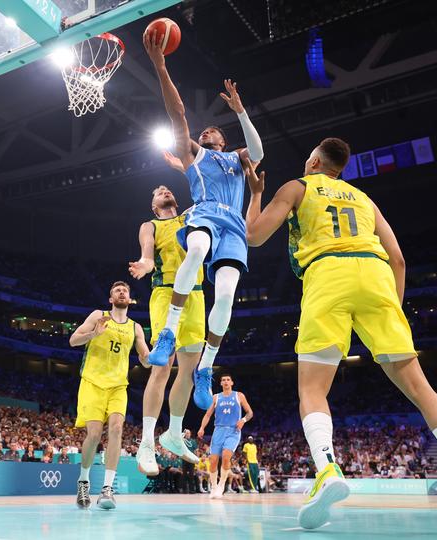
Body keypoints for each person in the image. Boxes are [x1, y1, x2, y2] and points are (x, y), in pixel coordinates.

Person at [243, 137, 437, 532]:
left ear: (314, 160)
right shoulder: (365, 200)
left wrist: (257, 194)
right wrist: (391, 311)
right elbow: (399, 258)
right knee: (422, 390)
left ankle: (327, 469)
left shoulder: (298, 186)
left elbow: (254, 235)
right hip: (378, 277)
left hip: (328, 274)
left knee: (313, 390)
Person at [143, 30, 264, 411]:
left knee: (226, 295)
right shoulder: (195, 156)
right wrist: (161, 67)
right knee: (195, 247)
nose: (205, 130)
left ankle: (206, 368)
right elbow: (176, 112)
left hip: (235, 228)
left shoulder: (238, 159)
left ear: (223, 141)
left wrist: (241, 111)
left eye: (213, 130)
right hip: (206, 213)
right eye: (203, 130)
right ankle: (168, 332)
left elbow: (259, 149)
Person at [129, 185, 204, 474]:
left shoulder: (191, 217)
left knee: (189, 372)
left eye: (167, 188)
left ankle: (174, 433)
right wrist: (145, 266)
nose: (163, 190)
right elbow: (147, 254)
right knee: (162, 368)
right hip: (165, 293)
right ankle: (146, 443)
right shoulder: (150, 225)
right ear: (153, 205)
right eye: (157, 191)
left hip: (196, 294)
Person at [68, 281, 150, 510]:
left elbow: (145, 359)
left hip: (117, 387)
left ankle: (107, 489)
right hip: (92, 383)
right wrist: (94, 333)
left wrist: (151, 356)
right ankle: (83, 481)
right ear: (111, 299)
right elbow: (73, 340)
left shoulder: (135, 328)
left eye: (125, 290)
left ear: (130, 298)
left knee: (116, 429)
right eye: (117, 290)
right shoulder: (98, 315)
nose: (122, 292)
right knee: (94, 435)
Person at [197, 374, 253, 499]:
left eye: (228, 380)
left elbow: (250, 412)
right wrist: (202, 427)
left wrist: (243, 420)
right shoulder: (216, 397)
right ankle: (214, 487)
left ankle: (221, 485)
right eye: (223, 380)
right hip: (218, 430)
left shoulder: (239, 395)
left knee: (226, 457)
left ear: (232, 382)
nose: (226, 382)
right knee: (213, 461)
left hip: (233, 431)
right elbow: (207, 415)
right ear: (221, 383)